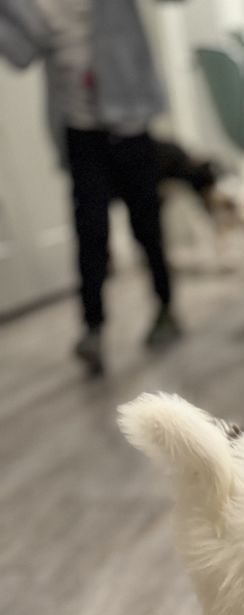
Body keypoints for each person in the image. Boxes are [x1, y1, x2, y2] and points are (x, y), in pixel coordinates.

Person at [0, 0, 180, 376]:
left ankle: (165, 307)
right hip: (80, 132)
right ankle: (92, 328)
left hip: (130, 122)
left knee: (146, 223)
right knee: (90, 231)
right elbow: (20, 54)